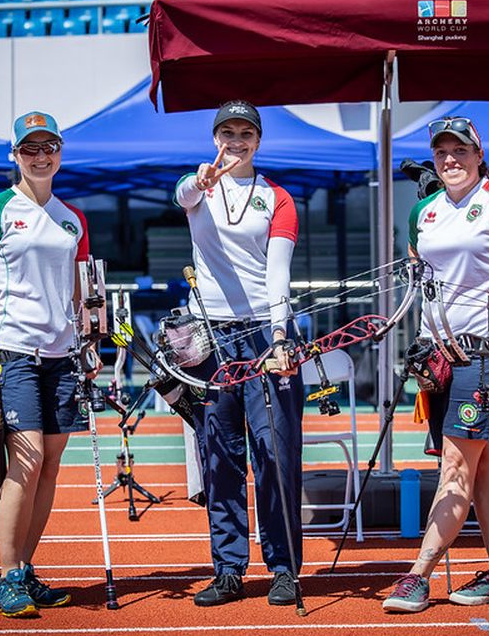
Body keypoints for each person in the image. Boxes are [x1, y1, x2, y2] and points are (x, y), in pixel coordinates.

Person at [382, 116, 489, 613]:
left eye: (459, 150)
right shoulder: (424, 211)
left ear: (479, 154)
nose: (450, 159)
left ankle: (418, 576)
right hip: (440, 359)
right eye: (441, 152)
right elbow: (418, 271)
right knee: (485, 470)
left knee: (456, 465)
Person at [174, 100, 304, 607]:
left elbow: (278, 274)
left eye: (245, 132)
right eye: (227, 131)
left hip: (264, 336)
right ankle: (228, 567)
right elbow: (182, 194)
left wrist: (278, 338)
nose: (236, 140)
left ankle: (284, 567)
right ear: (214, 138)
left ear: (258, 140)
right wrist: (200, 181)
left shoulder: (277, 197)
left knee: (274, 453)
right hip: (209, 339)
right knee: (219, 456)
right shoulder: (198, 186)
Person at [0, 111, 90, 618]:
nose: (41, 157)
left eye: (49, 147)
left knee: (51, 465)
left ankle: (26, 569)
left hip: (63, 357)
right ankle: (6, 574)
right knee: (28, 459)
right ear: (14, 155)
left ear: (60, 152)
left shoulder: (72, 218)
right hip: (13, 354)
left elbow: (81, 293)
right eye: (30, 149)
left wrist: (90, 342)